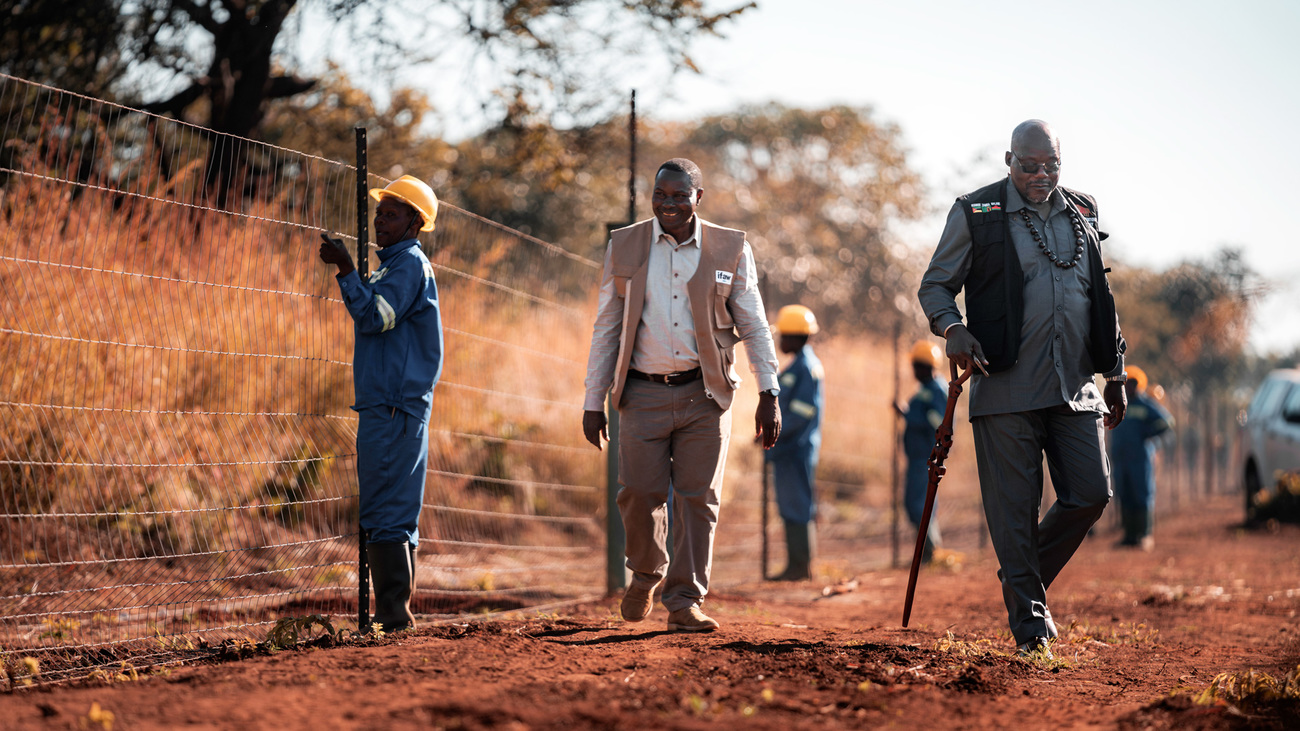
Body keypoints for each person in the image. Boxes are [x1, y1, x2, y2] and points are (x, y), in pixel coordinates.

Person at [917, 120, 1127, 658]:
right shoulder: (978, 211)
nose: (1040, 175)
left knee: (1091, 493)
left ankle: (1018, 574)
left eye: (1051, 165)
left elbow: (1099, 295)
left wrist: (1117, 372)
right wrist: (953, 327)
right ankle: (1032, 626)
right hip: (1004, 387)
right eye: (1029, 165)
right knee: (1013, 511)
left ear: (1062, 162)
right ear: (1009, 159)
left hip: (1076, 387)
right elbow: (935, 284)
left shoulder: (1083, 211)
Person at [582, 158, 782, 632]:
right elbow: (607, 324)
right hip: (642, 393)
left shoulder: (729, 248)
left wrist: (769, 389)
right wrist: (593, 399)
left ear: (698, 197)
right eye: (660, 195)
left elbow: (753, 322)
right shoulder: (625, 244)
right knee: (637, 495)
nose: (668, 204)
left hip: (704, 395)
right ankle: (647, 570)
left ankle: (684, 600)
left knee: (698, 499)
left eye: (678, 195)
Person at [318, 174, 443, 632]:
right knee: (397, 507)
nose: (380, 221)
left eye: (392, 214)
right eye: (379, 212)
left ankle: (392, 616)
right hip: (396, 405)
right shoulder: (396, 265)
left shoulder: (408, 265)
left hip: (391, 406)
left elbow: (374, 318)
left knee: (383, 507)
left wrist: (347, 271)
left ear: (415, 222)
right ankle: (395, 615)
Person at [764, 305, 825, 582]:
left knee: (797, 503)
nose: (780, 341)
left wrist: (774, 430)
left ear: (797, 337)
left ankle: (800, 567)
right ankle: (797, 565)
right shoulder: (799, 365)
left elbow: (802, 412)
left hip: (795, 448)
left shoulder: (805, 368)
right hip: (789, 449)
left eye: (784, 336)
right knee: (792, 503)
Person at [1109, 366, 1173, 551]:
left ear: (1140, 385)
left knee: (1142, 494)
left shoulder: (1146, 405)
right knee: (1124, 493)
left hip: (1140, 458)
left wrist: (1148, 433)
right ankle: (1129, 536)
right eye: (1127, 383)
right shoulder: (1119, 404)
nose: (1129, 387)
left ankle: (1144, 535)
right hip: (1121, 459)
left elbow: (1167, 422)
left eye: (1133, 383)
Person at [893, 340, 947, 563]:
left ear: (926, 366)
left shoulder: (937, 390)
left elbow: (937, 422)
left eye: (917, 365)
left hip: (926, 458)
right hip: (917, 457)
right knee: (916, 503)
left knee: (918, 504)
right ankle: (926, 552)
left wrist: (907, 414)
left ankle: (931, 551)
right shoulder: (925, 389)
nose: (914, 370)